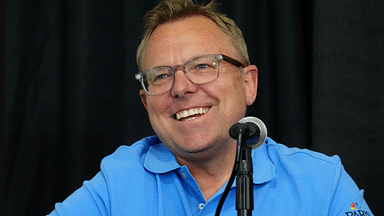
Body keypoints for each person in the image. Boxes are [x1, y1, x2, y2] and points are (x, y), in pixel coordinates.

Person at [48, 0, 373, 215]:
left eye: (203, 66)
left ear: (248, 83)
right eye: (161, 75)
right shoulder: (117, 182)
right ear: (147, 103)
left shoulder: (322, 182)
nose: (181, 87)